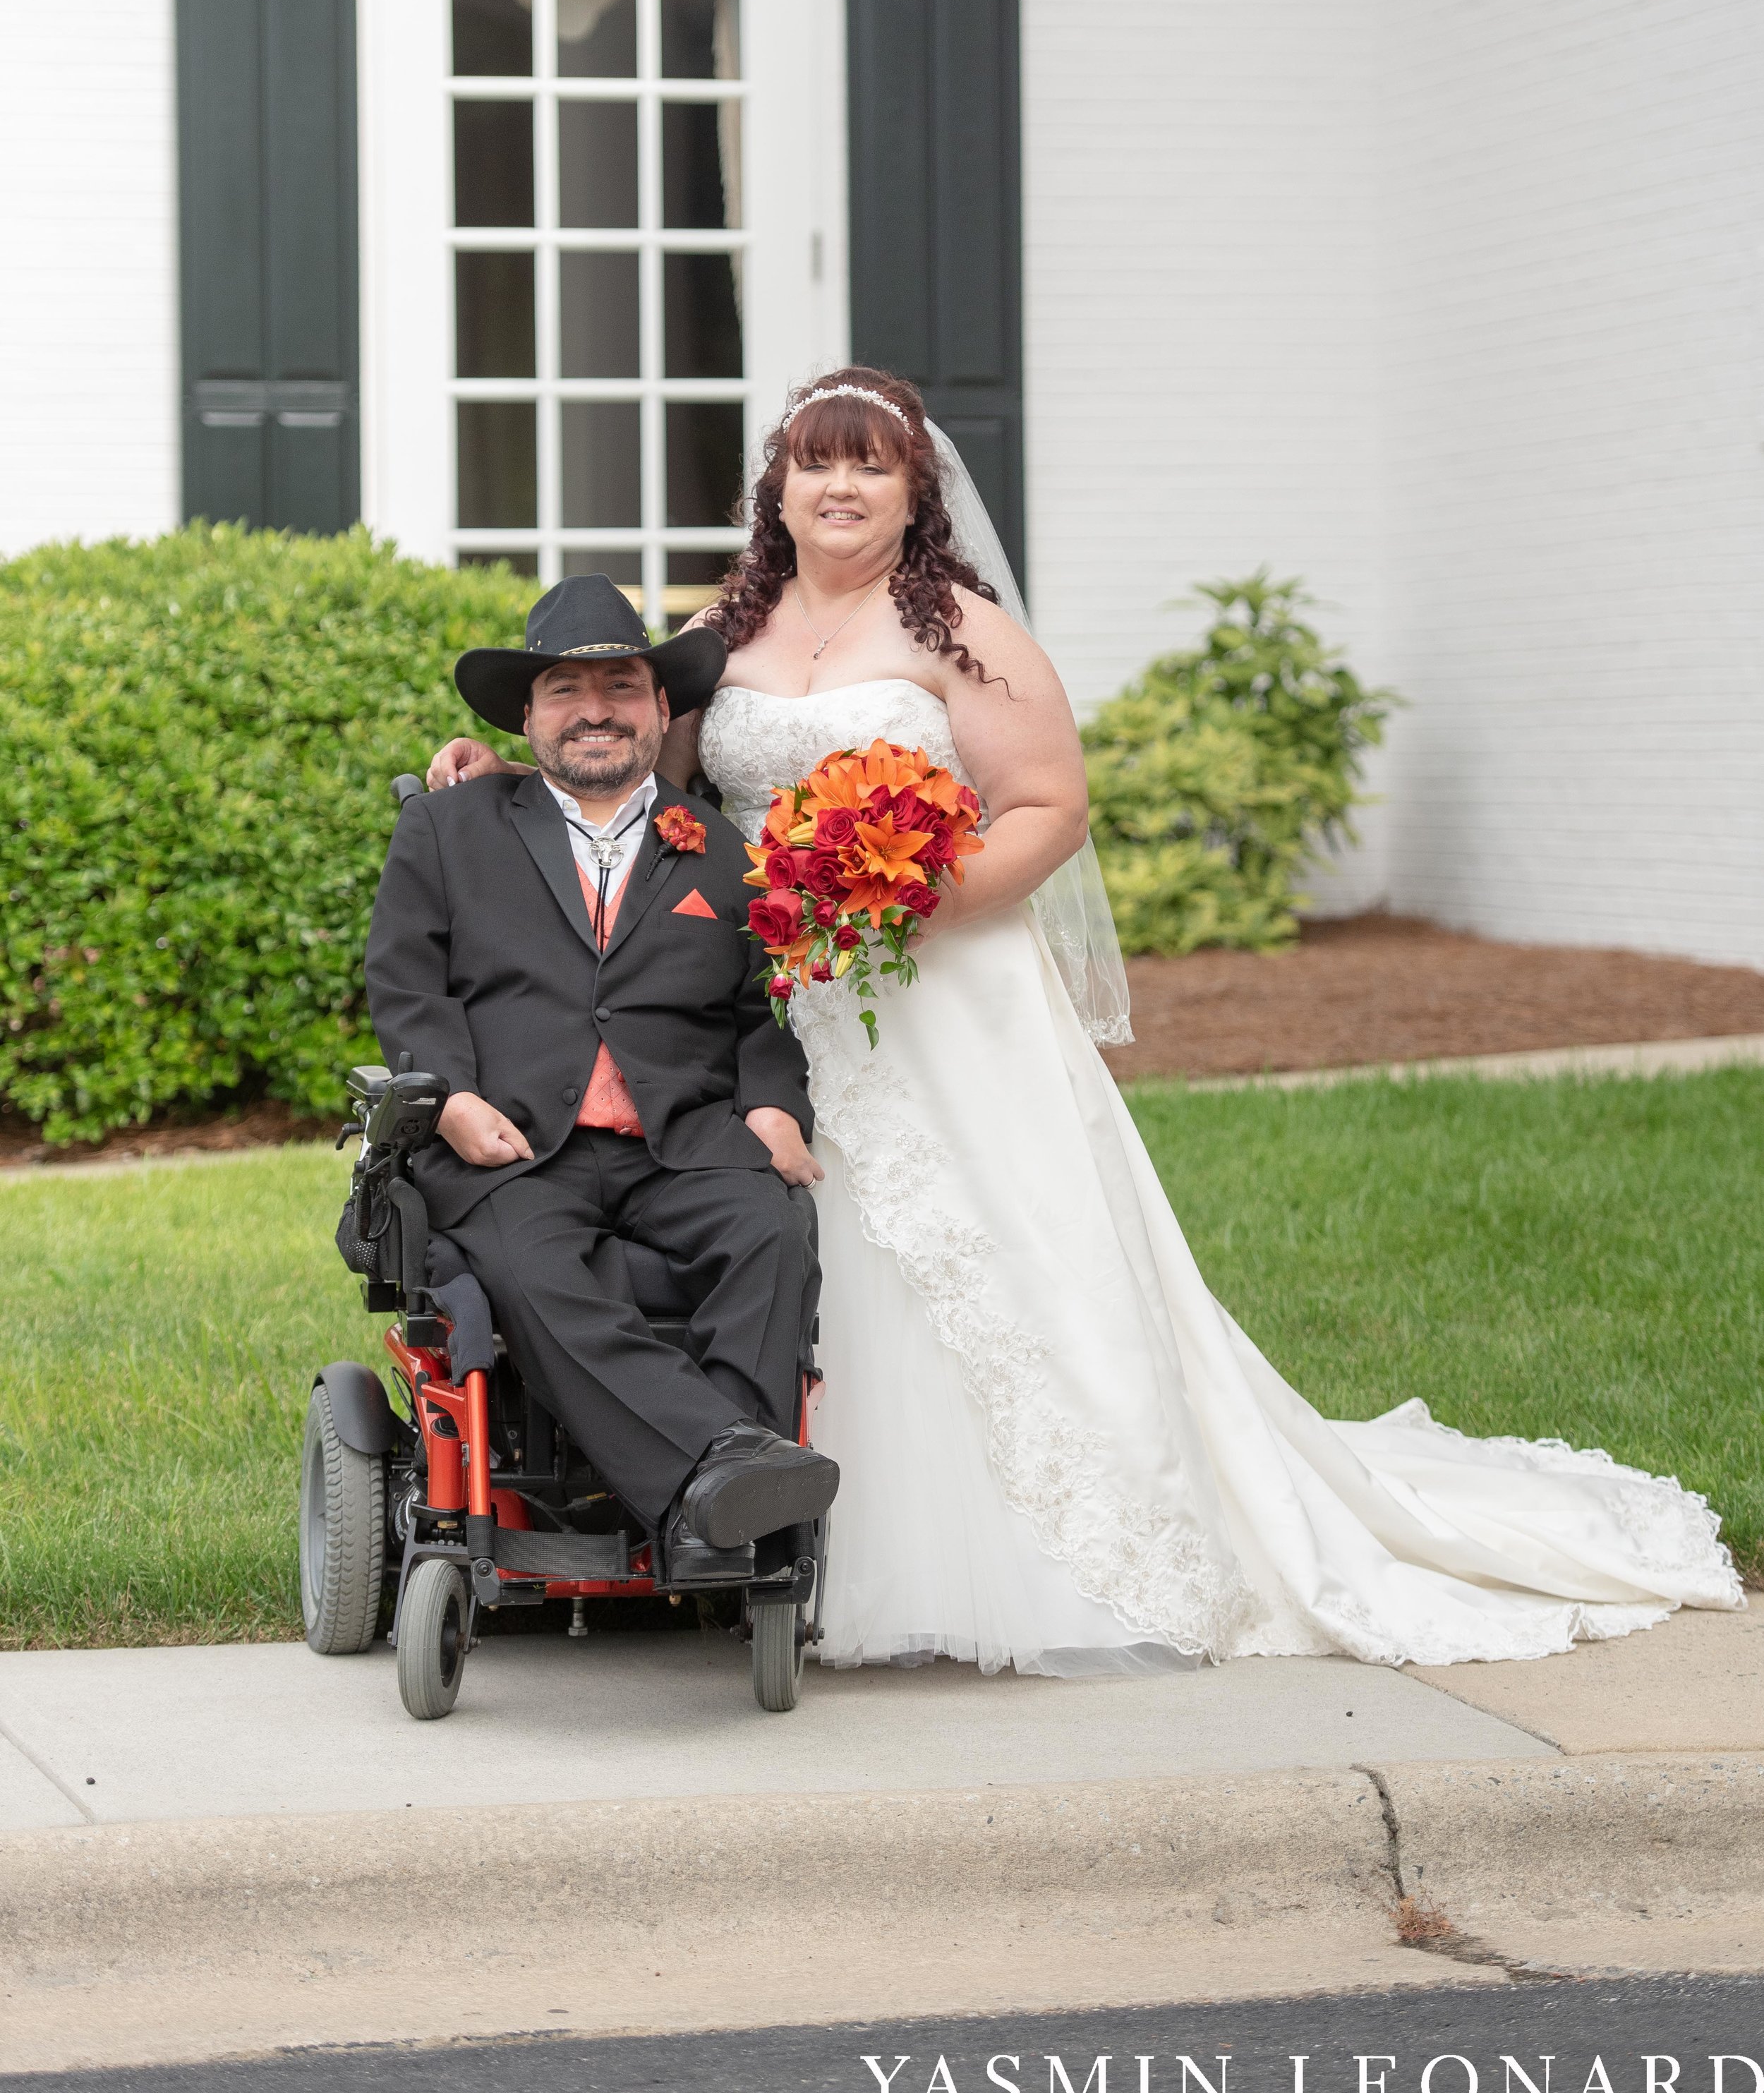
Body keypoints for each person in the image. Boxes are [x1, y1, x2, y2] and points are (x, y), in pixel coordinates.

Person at [428, 368, 1744, 1674]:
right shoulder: (728, 626)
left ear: (914, 489)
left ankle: (1003, 1551)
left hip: (934, 985)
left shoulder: (963, 631)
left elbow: (1050, 809)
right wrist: (497, 778)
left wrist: (907, 906)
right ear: (776, 484)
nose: (840, 486)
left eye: (870, 464)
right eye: (815, 462)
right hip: (762, 994)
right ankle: (749, 1498)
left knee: (993, 1254)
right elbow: (632, 764)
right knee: (793, 1228)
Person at [368, 574, 838, 1587]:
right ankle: (724, 1478)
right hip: (511, 1150)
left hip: (681, 1142)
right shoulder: (451, 831)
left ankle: (708, 1510)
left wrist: (770, 1103)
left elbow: (763, 1009)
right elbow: (406, 990)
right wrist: (448, 1099)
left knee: (769, 1228)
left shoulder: (722, 853)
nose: (595, 712)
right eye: (566, 691)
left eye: (621, 686)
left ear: (661, 708)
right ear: (527, 715)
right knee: (531, 1270)